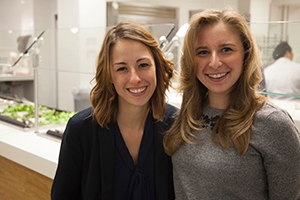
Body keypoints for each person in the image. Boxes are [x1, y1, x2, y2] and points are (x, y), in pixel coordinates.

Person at [163, 7, 300, 200]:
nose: (214, 62)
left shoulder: (273, 125)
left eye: (226, 49)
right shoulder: (187, 114)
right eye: (202, 52)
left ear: (246, 54)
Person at [51, 20, 177, 200]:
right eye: (122, 68)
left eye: (143, 65)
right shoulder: (81, 130)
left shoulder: (176, 124)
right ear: (109, 75)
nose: (135, 78)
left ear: (157, 67)